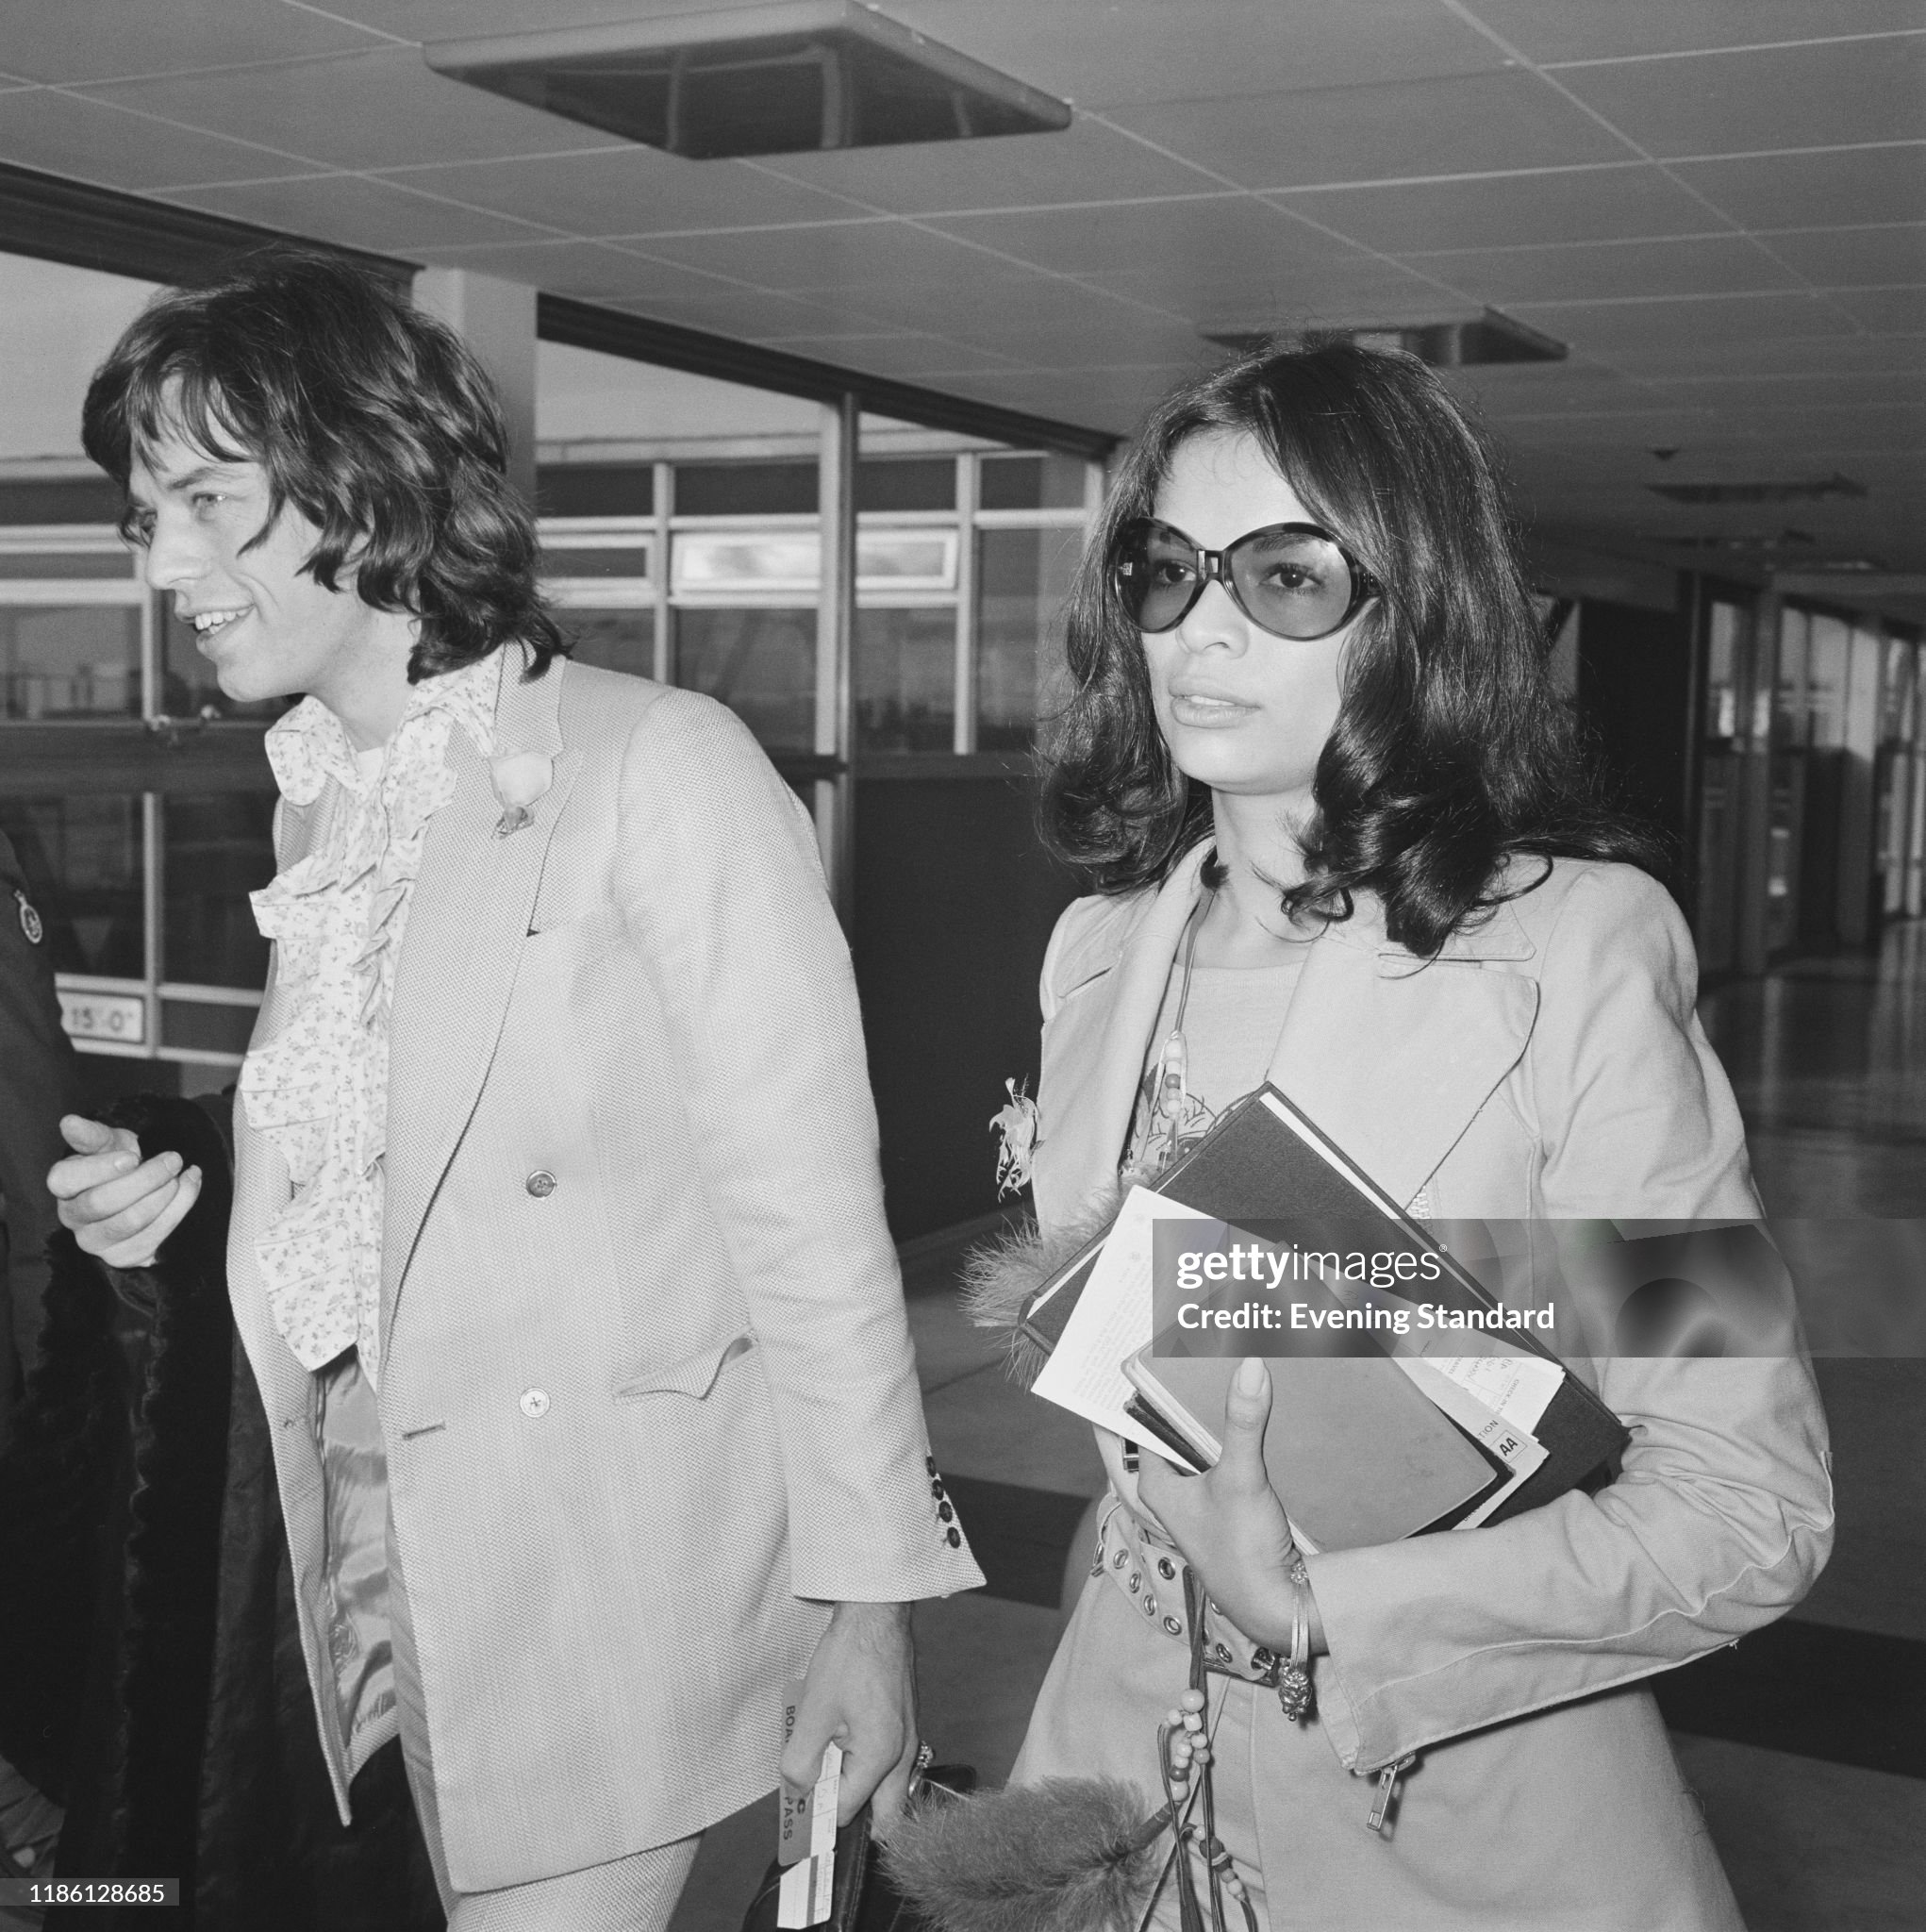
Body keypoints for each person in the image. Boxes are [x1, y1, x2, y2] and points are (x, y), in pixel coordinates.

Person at [49, 248, 982, 1929]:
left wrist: (870, 1610)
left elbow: (813, 1237)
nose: (165, 561)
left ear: (361, 481)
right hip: (366, 1548)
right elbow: (400, 1159)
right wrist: (187, 1202)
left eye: (207, 502)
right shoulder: (322, 797)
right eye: (147, 513)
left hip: (599, 1564)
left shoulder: (656, 763)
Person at [1001, 340, 1834, 1929]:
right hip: (1122, 1781)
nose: (1201, 630)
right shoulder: (1099, 955)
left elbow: (1745, 1506)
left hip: (1448, 1821)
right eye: (1164, 569)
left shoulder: (1569, 959)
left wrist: (1328, 1607)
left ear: (1417, 613)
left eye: (1285, 576)